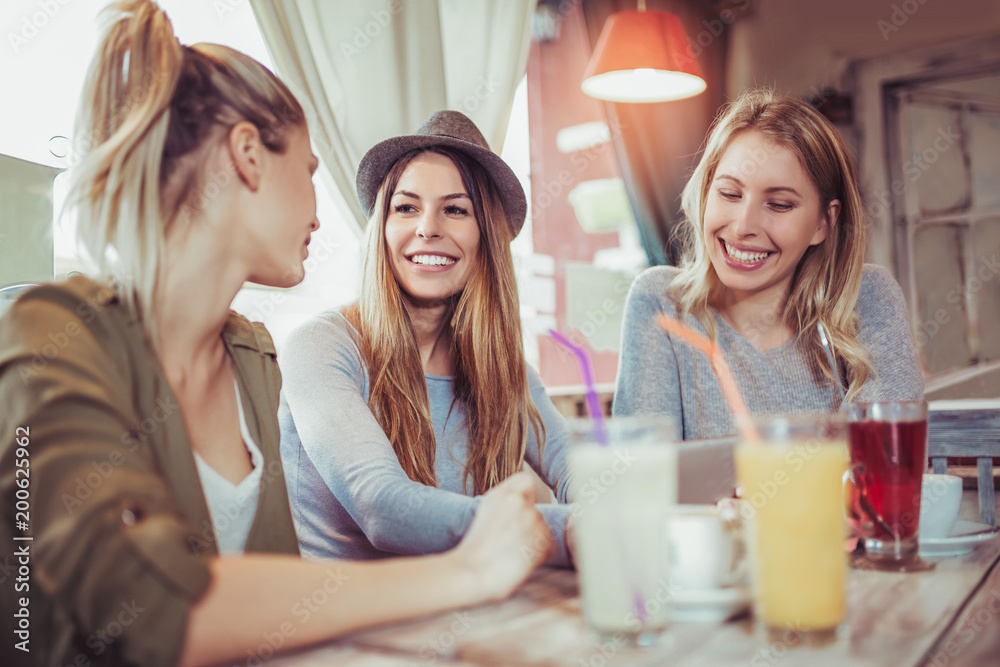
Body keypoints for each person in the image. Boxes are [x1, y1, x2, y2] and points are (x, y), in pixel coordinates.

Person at [0, 3, 554, 666]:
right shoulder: (47, 332)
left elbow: (276, 605)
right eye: (312, 172)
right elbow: (141, 610)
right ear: (248, 157)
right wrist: (471, 569)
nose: (322, 212)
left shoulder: (250, 355)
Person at [278, 110, 575, 565]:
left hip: (454, 610)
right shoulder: (320, 347)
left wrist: (621, 510)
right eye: (406, 207)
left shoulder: (506, 372)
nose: (427, 228)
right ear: (382, 228)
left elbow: (582, 470)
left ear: (487, 241)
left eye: (455, 210)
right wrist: (572, 531)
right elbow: (383, 507)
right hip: (339, 625)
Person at [613, 89, 923, 439]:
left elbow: (888, 464)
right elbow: (641, 474)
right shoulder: (661, 303)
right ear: (705, 193)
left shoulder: (865, 298)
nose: (743, 226)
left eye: (778, 204)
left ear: (824, 222)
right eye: (730, 194)